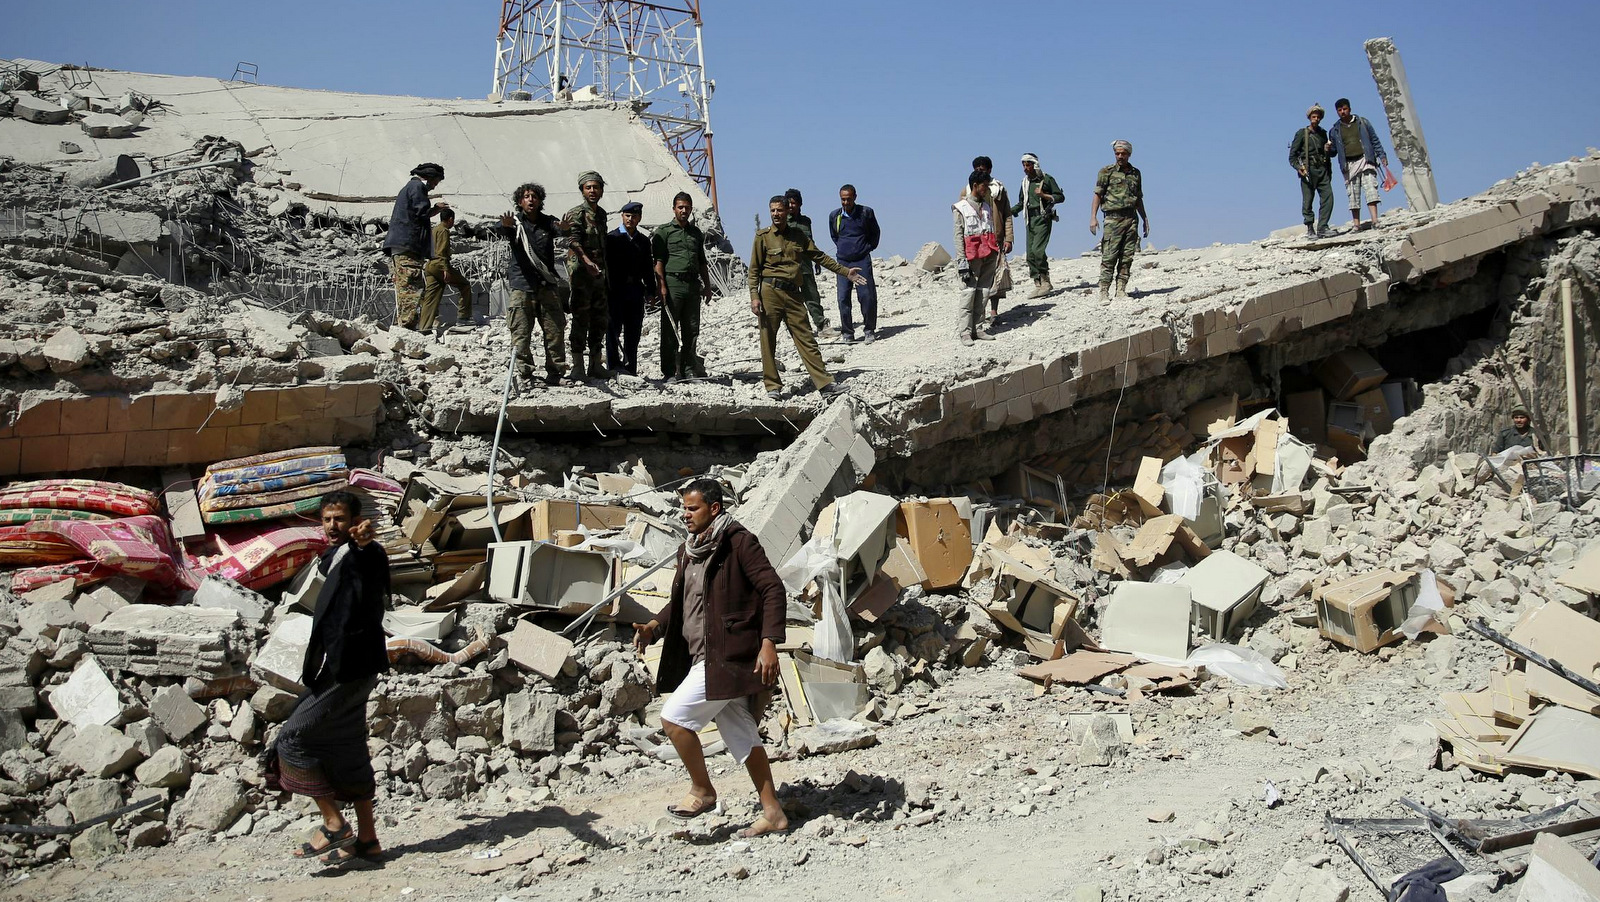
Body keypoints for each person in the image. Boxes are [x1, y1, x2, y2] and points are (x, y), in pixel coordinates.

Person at [631, 478, 789, 839]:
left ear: (713, 509)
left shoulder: (738, 542)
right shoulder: (690, 549)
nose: (684, 515)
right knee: (741, 733)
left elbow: (772, 588)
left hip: (728, 656)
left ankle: (703, 790)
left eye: (692, 508)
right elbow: (684, 599)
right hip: (706, 655)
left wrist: (769, 642)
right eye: (683, 508)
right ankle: (774, 813)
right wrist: (655, 626)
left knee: (673, 720)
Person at [264, 490, 389, 865]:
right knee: (347, 746)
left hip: (349, 668)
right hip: (345, 666)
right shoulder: (333, 558)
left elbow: (370, 561)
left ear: (355, 521)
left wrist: (365, 542)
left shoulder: (365, 553)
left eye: (341, 520)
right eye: (328, 520)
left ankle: (335, 824)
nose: (334, 527)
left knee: (291, 739)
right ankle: (367, 840)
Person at [749, 195, 867, 400]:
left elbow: (819, 256)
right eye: (772, 211)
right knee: (767, 340)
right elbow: (754, 270)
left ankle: (825, 385)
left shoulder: (799, 235)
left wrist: (845, 271)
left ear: (787, 211)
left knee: (807, 339)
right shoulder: (763, 237)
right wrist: (754, 296)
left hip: (794, 295)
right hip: (770, 293)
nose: (776, 214)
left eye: (779, 210)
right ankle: (772, 387)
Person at [497, 183, 569, 386]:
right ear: (520, 201)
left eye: (534, 196)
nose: (531, 200)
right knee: (521, 332)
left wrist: (564, 229)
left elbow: (560, 230)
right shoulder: (515, 223)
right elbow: (501, 230)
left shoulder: (548, 222)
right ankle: (526, 375)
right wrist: (506, 226)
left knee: (554, 330)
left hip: (546, 285)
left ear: (540, 200)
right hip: (522, 285)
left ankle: (556, 373)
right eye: (526, 196)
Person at [652, 192, 713, 381]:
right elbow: (658, 261)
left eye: (687, 207)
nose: (684, 211)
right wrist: (661, 286)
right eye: (680, 207)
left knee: (691, 330)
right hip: (673, 284)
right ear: (674, 209)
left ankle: (688, 370)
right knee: (670, 329)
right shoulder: (664, 232)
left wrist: (707, 286)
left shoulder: (696, 234)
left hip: (692, 285)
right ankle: (669, 372)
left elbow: (702, 262)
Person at [382, 163, 450, 330]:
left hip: (403, 247)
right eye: (435, 181)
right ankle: (407, 332)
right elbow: (422, 213)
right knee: (411, 291)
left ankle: (407, 329)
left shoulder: (410, 187)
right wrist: (436, 208)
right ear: (428, 177)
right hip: (408, 247)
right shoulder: (417, 187)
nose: (435, 186)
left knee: (408, 290)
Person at [561, 171, 613, 380]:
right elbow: (573, 241)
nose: (592, 191)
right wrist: (587, 261)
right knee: (581, 318)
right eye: (588, 187)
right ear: (582, 190)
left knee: (599, 318)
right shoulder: (576, 214)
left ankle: (595, 363)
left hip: (599, 274)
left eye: (596, 187)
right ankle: (577, 366)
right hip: (582, 274)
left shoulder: (601, 214)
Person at [1089, 140, 1150, 302]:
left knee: (1127, 256)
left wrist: (1145, 218)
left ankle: (1121, 290)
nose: (1120, 156)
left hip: (1131, 219)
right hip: (1112, 219)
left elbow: (1138, 198)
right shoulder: (1106, 172)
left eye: (1123, 153)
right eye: (1117, 153)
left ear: (1129, 154)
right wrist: (1093, 217)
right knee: (1109, 256)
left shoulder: (1136, 173)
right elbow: (1097, 194)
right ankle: (1103, 291)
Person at [959, 156, 1015, 321]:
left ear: (989, 170)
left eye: (982, 169)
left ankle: (994, 311)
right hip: (975, 244)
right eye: (976, 169)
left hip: (995, 239)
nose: (979, 172)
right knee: (977, 282)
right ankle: (978, 317)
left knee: (996, 278)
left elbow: (1007, 215)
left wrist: (1009, 238)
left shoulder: (999, 189)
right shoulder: (966, 192)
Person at [605, 201, 656, 376]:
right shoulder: (611, 239)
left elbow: (648, 268)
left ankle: (630, 368)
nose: (630, 219)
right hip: (615, 291)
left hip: (635, 291)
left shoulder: (642, 241)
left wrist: (651, 291)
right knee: (613, 330)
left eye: (634, 217)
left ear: (639, 218)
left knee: (633, 332)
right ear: (622, 217)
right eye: (627, 216)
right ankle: (613, 366)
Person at [953, 170, 1003, 345]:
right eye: (984, 186)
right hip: (971, 256)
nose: (986, 190)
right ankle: (965, 332)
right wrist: (961, 261)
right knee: (968, 294)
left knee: (983, 293)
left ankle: (978, 328)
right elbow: (958, 236)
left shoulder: (987, 207)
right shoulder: (961, 207)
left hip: (988, 254)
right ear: (975, 186)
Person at [827, 184, 881, 343]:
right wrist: (844, 250)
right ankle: (847, 333)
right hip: (843, 262)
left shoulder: (866, 213)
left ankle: (869, 330)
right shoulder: (834, 216)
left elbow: (875, 233)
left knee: (867, 296)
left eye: (848, 199)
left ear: (855, 197)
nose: (845, 203)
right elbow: (834, 236)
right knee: (843, 297)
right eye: (843, 199)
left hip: (862, 260)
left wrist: (866, 248)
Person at [1328, 98, 1388, 231]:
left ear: (1349, 109)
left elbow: (1374, 139)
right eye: (1340, 110)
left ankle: (1375, 220)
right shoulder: (1335, 130)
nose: (1342, 112)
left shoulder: (1362, 122)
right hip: (1348, 165)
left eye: (1344, 109)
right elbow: (1333, 152)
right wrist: (1327, 149)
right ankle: (1356, 224)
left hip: (1365, 159)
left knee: (1371, 190)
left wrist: (1382, 155)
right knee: (1353, 195)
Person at [1012, 153, 1065, 298]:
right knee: (1030, 254)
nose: (1025, 167)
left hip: (1042, 217)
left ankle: (1046, 281)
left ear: (1034, 165)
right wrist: (1008, 212)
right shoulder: (1025, 183)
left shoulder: (1046, 179)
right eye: (1023, 164)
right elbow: (1021, 202)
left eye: (1028, 164)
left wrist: (1044, 196)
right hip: (1029, 219)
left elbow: (1060, 197)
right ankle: (1038, 283)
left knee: (1038, 250)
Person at [784, 188, 833, 338]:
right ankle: (800, 329)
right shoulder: (782, 222)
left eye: (794, 203)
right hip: (789, 267)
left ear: (800, 204)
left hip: (805, 266)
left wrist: (816, 260)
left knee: (812, 296)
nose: (792, 206)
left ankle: (821, 325)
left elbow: (810, 241)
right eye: (789, 203)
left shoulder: (806, 222)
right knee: (793, 300)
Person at [419, 207, 474, 332]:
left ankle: (424, 326)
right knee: (464, 285)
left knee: (430, 297)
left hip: (430, 265)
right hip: (439, 265)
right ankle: (463, 317)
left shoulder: (434, 230)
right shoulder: (444, 231)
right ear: (450, 219)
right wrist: (445, 269)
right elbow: (442, 251)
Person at [1289, 104, 1335, 238]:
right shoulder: (1302, 134)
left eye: (1318, 117)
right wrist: (1299, 167)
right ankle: (1310, 228)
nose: (1316, 119)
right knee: (1308, 201)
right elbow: (1292, 156)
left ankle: (1323, 227)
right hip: (1308, 171)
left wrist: (1328, 150)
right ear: (1309, 118)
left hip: (1322, 170)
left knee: (1328, 197)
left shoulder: (1322, 134)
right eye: (1313, 117)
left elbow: (1330, 154)